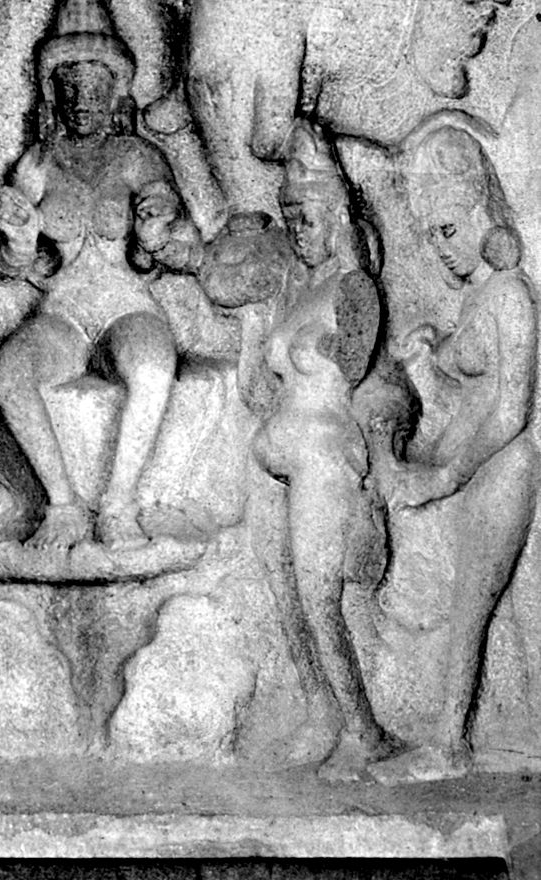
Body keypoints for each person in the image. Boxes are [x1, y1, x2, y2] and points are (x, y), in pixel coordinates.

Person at [0, 0, 199, 551]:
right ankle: (62, 505)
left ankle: (119, 503)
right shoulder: (38, 163)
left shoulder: (138, 157)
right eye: (69, 84)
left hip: (127, 305)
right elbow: (8, 266)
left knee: (152, 365)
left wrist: (157, 231)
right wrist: (20, 239)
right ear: (53, 92)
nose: (82, 98)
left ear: (116, 89)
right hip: (63, 312)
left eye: (94, 84)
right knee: (8, 372)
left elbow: (177, 241)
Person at [372, 119, 540, 782]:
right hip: (471, 468)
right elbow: (467, 385)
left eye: (447, 231)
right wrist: (428, 359)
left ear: (480, 212)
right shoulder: (479, 295)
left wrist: (443, 476)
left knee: (469, 611)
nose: (440, 251)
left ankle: (450, 744)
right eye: (429, 237)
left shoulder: (511, 296)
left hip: (502, 469)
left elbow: (509, 412)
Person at [251, 119, 399, 778]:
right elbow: (263, 385)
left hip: (324, 454)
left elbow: (359, 364)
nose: (297, 230)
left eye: (306, 218)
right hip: (279, 455)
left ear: (336, 216)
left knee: (320, 600)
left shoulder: (353, 288)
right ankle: (324, 713)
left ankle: (366, 732)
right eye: (289, 219)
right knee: (289, 600)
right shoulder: (299, 290)